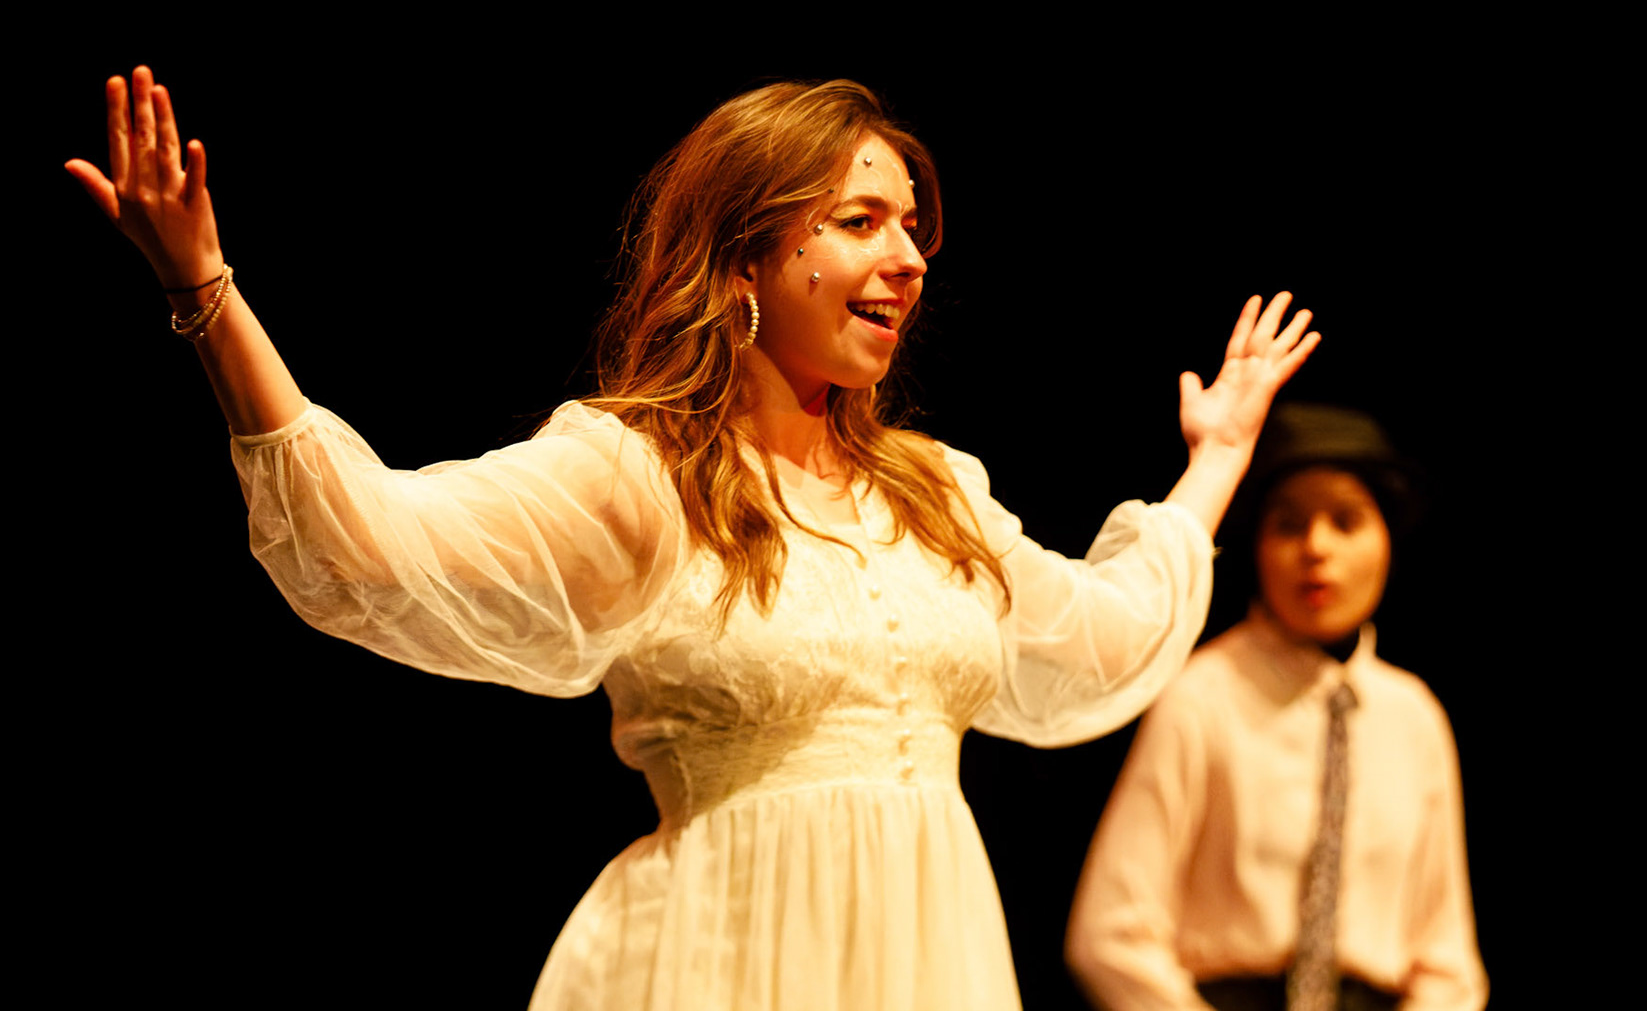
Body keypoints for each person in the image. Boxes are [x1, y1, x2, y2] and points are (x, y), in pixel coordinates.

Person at [65, 67, 1320, 1011]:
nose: (908, 258)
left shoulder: (932, 494)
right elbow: (368, 543)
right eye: (862, 221)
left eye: (913, 228)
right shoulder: (643, 475)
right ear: (746, 257)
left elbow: (1102, 640)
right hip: (720, 954)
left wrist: (1216, 459)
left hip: (931, 959)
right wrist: (207, 292)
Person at [1065, 403, 1486, 1011]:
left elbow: (1448, 960)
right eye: (1289, 525)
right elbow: (1110, 934)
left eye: (1346, 522)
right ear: (1258, 545)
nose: (1316, 547)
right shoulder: (1204, 695)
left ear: (1387, 541)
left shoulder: (1413, 717)